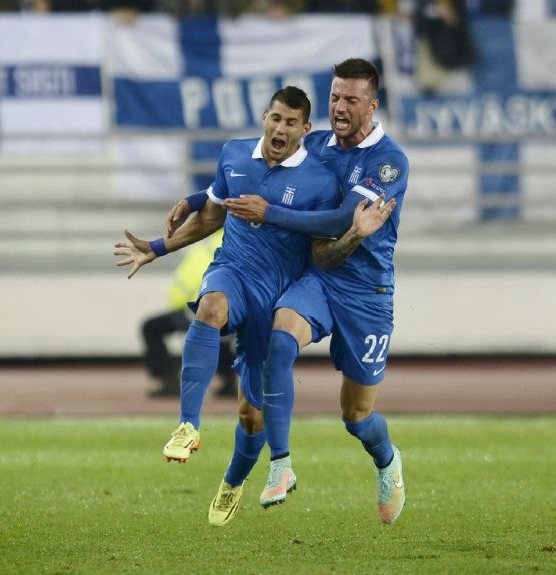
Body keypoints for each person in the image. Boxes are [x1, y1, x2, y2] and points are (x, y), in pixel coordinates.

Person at [168, 58, 410, 525]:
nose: (340, 106)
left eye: (352, 99)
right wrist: (199, 198)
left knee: (357, 417)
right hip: (317, 277)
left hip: (367, 292)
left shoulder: (388, 161)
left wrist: (269, 213)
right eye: (335, 97)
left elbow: (339, 220)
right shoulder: (315, 143)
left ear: (372, 106)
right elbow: (256, 170)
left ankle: (387, 460)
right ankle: (281, 464)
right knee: (281, 337)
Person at [114, 86, 348, 526]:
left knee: (251, 415)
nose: (281, 128)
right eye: (275, 118)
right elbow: (211, 215)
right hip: (233, 271)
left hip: (275, 295)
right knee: (210, 307)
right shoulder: (235, 155)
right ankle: (187, 425)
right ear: (264, 117)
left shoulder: (320, 181)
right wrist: (157, 247)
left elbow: (324, 244)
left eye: (291, 122)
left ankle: (233, 481)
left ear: (304, 129)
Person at [141, 229, 237, 398]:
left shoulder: (206, 247)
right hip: (235, 313)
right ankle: (230, 383)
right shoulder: (245, 242)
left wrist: (178, 304)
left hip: (200, 311)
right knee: (221, 335)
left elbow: (188, 282)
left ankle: (168, 380)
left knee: (151, 327)